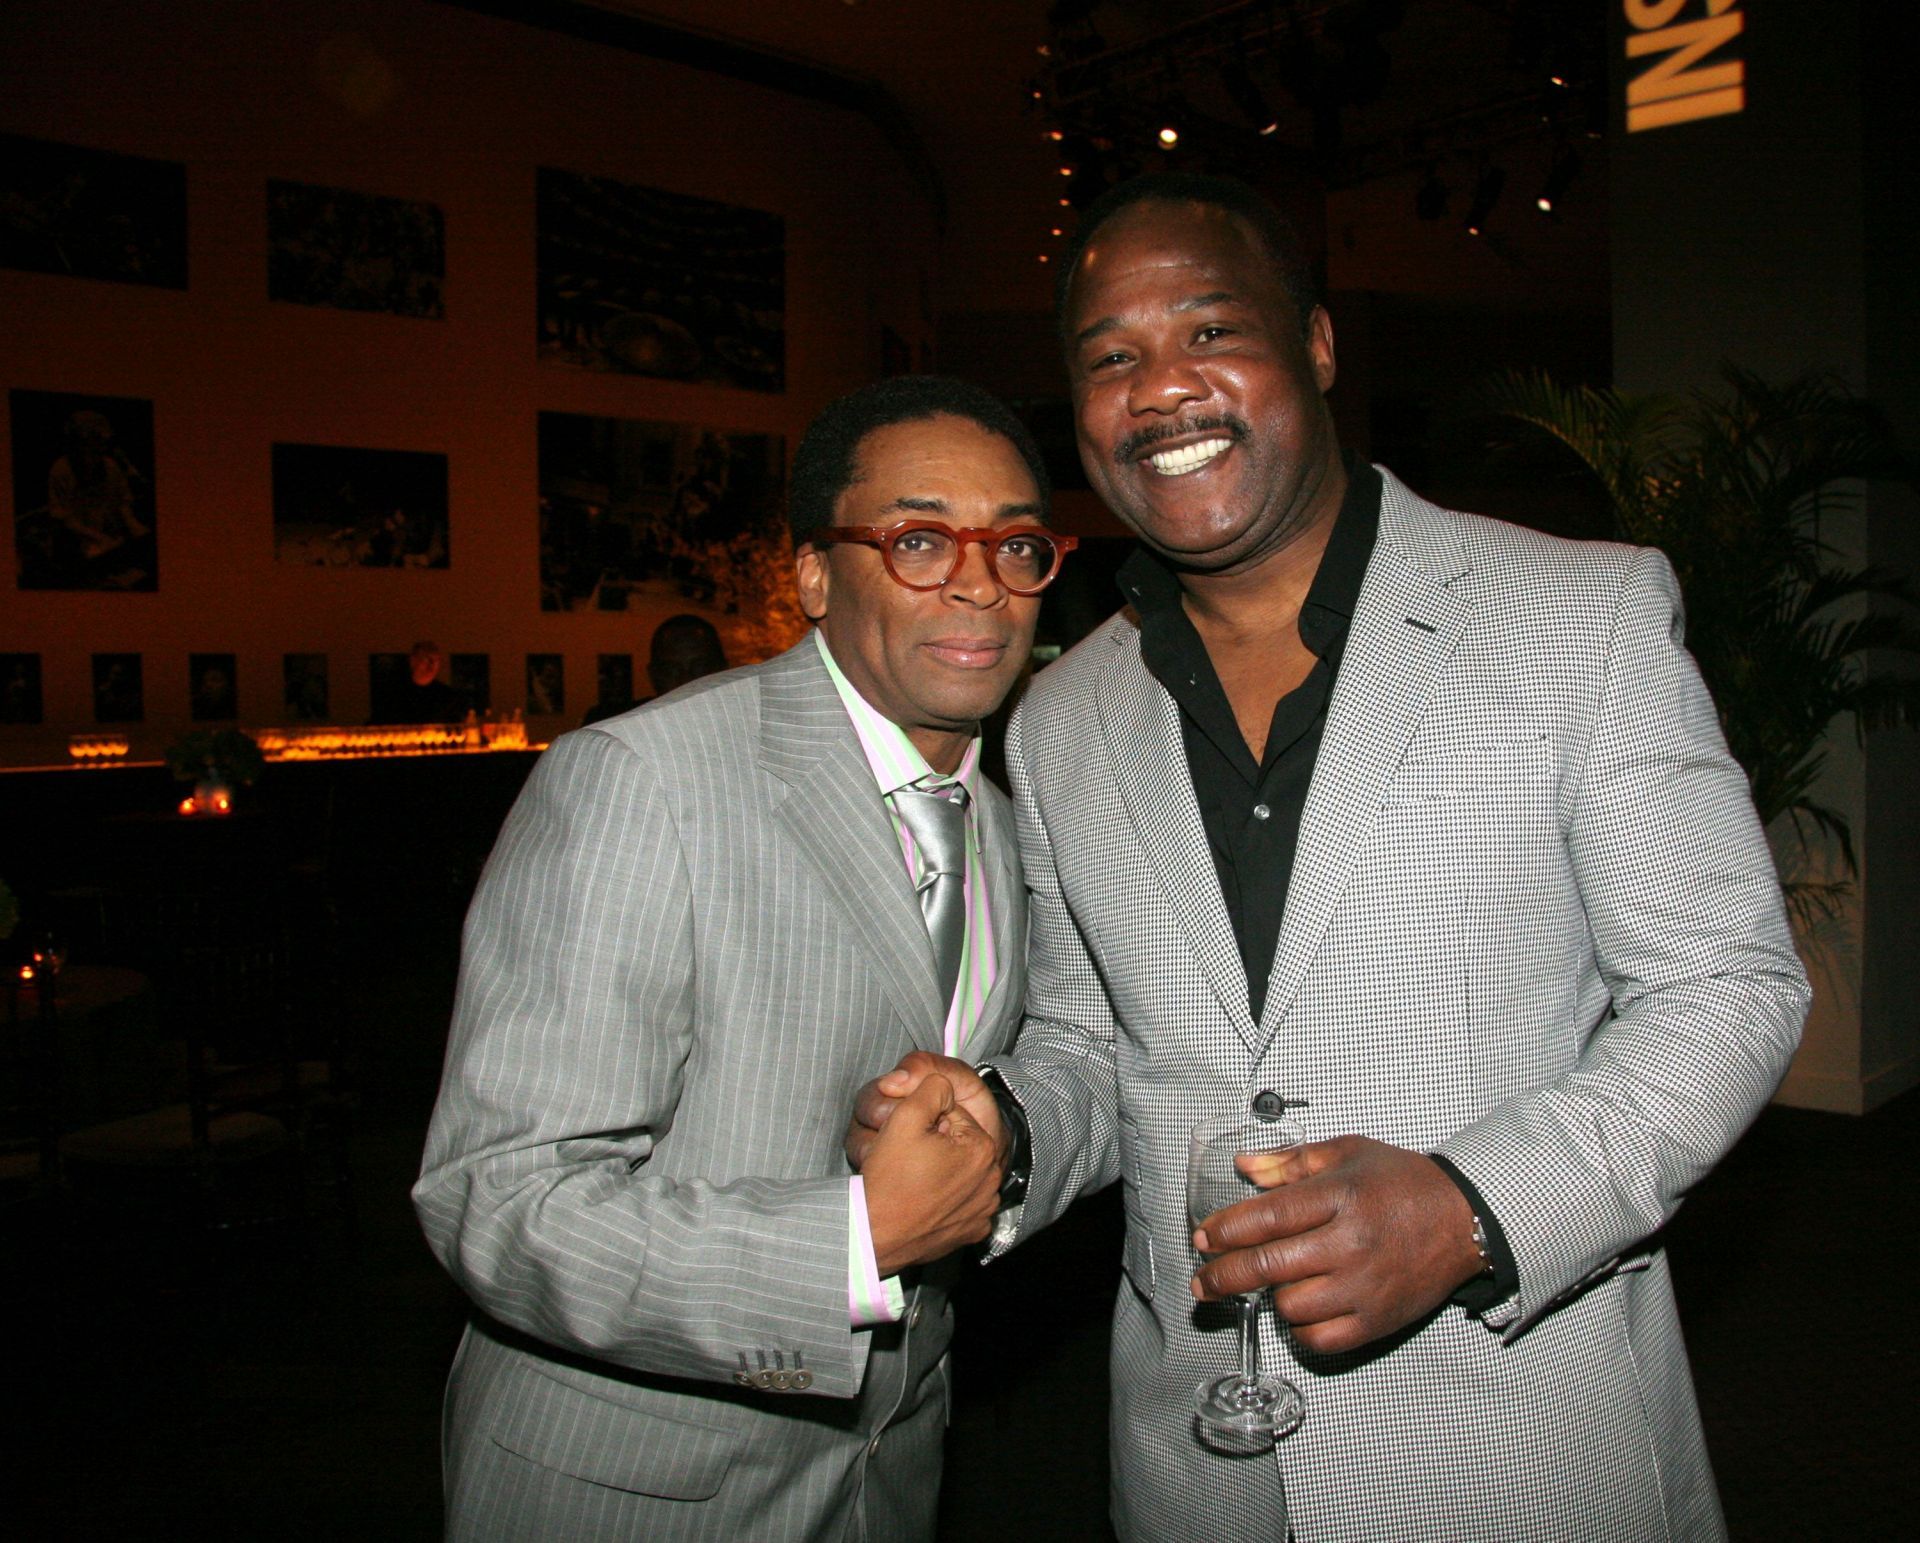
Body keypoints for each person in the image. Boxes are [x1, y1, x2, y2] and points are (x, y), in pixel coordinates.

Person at [851, 175, 1808, 1541]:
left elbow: (1726, 987)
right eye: (1110, 358)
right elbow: (1091, 1042)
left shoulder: (1578, 615)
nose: (1159, 387)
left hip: (1517, 1448)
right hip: (1197, 1466)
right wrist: (1005, 1135)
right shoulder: (1059, 715)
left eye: (1209, 330)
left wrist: (1473, 1210)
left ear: (1315, 345)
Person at [414, 375, 1075, 1540]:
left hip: (886, 1471)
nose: (980, 582)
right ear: (814, 575)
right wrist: (854, 1243)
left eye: (1016, 544)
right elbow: (501, 1199)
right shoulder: (644, 781)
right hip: (637, 1493)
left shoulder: (1013, 825)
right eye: (920, 539)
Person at [581, 613, 729, 725]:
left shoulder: (739, 723)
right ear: (654, 675)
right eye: (671, 670)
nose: (685, 681)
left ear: (723, 670)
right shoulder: (612, 726)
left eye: (700, 668)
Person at [372, 639, 467, 724]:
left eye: (436, 660)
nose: (432, 665)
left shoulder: (447, 697)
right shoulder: (394, 693)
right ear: (413, 661)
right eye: (427, 659)